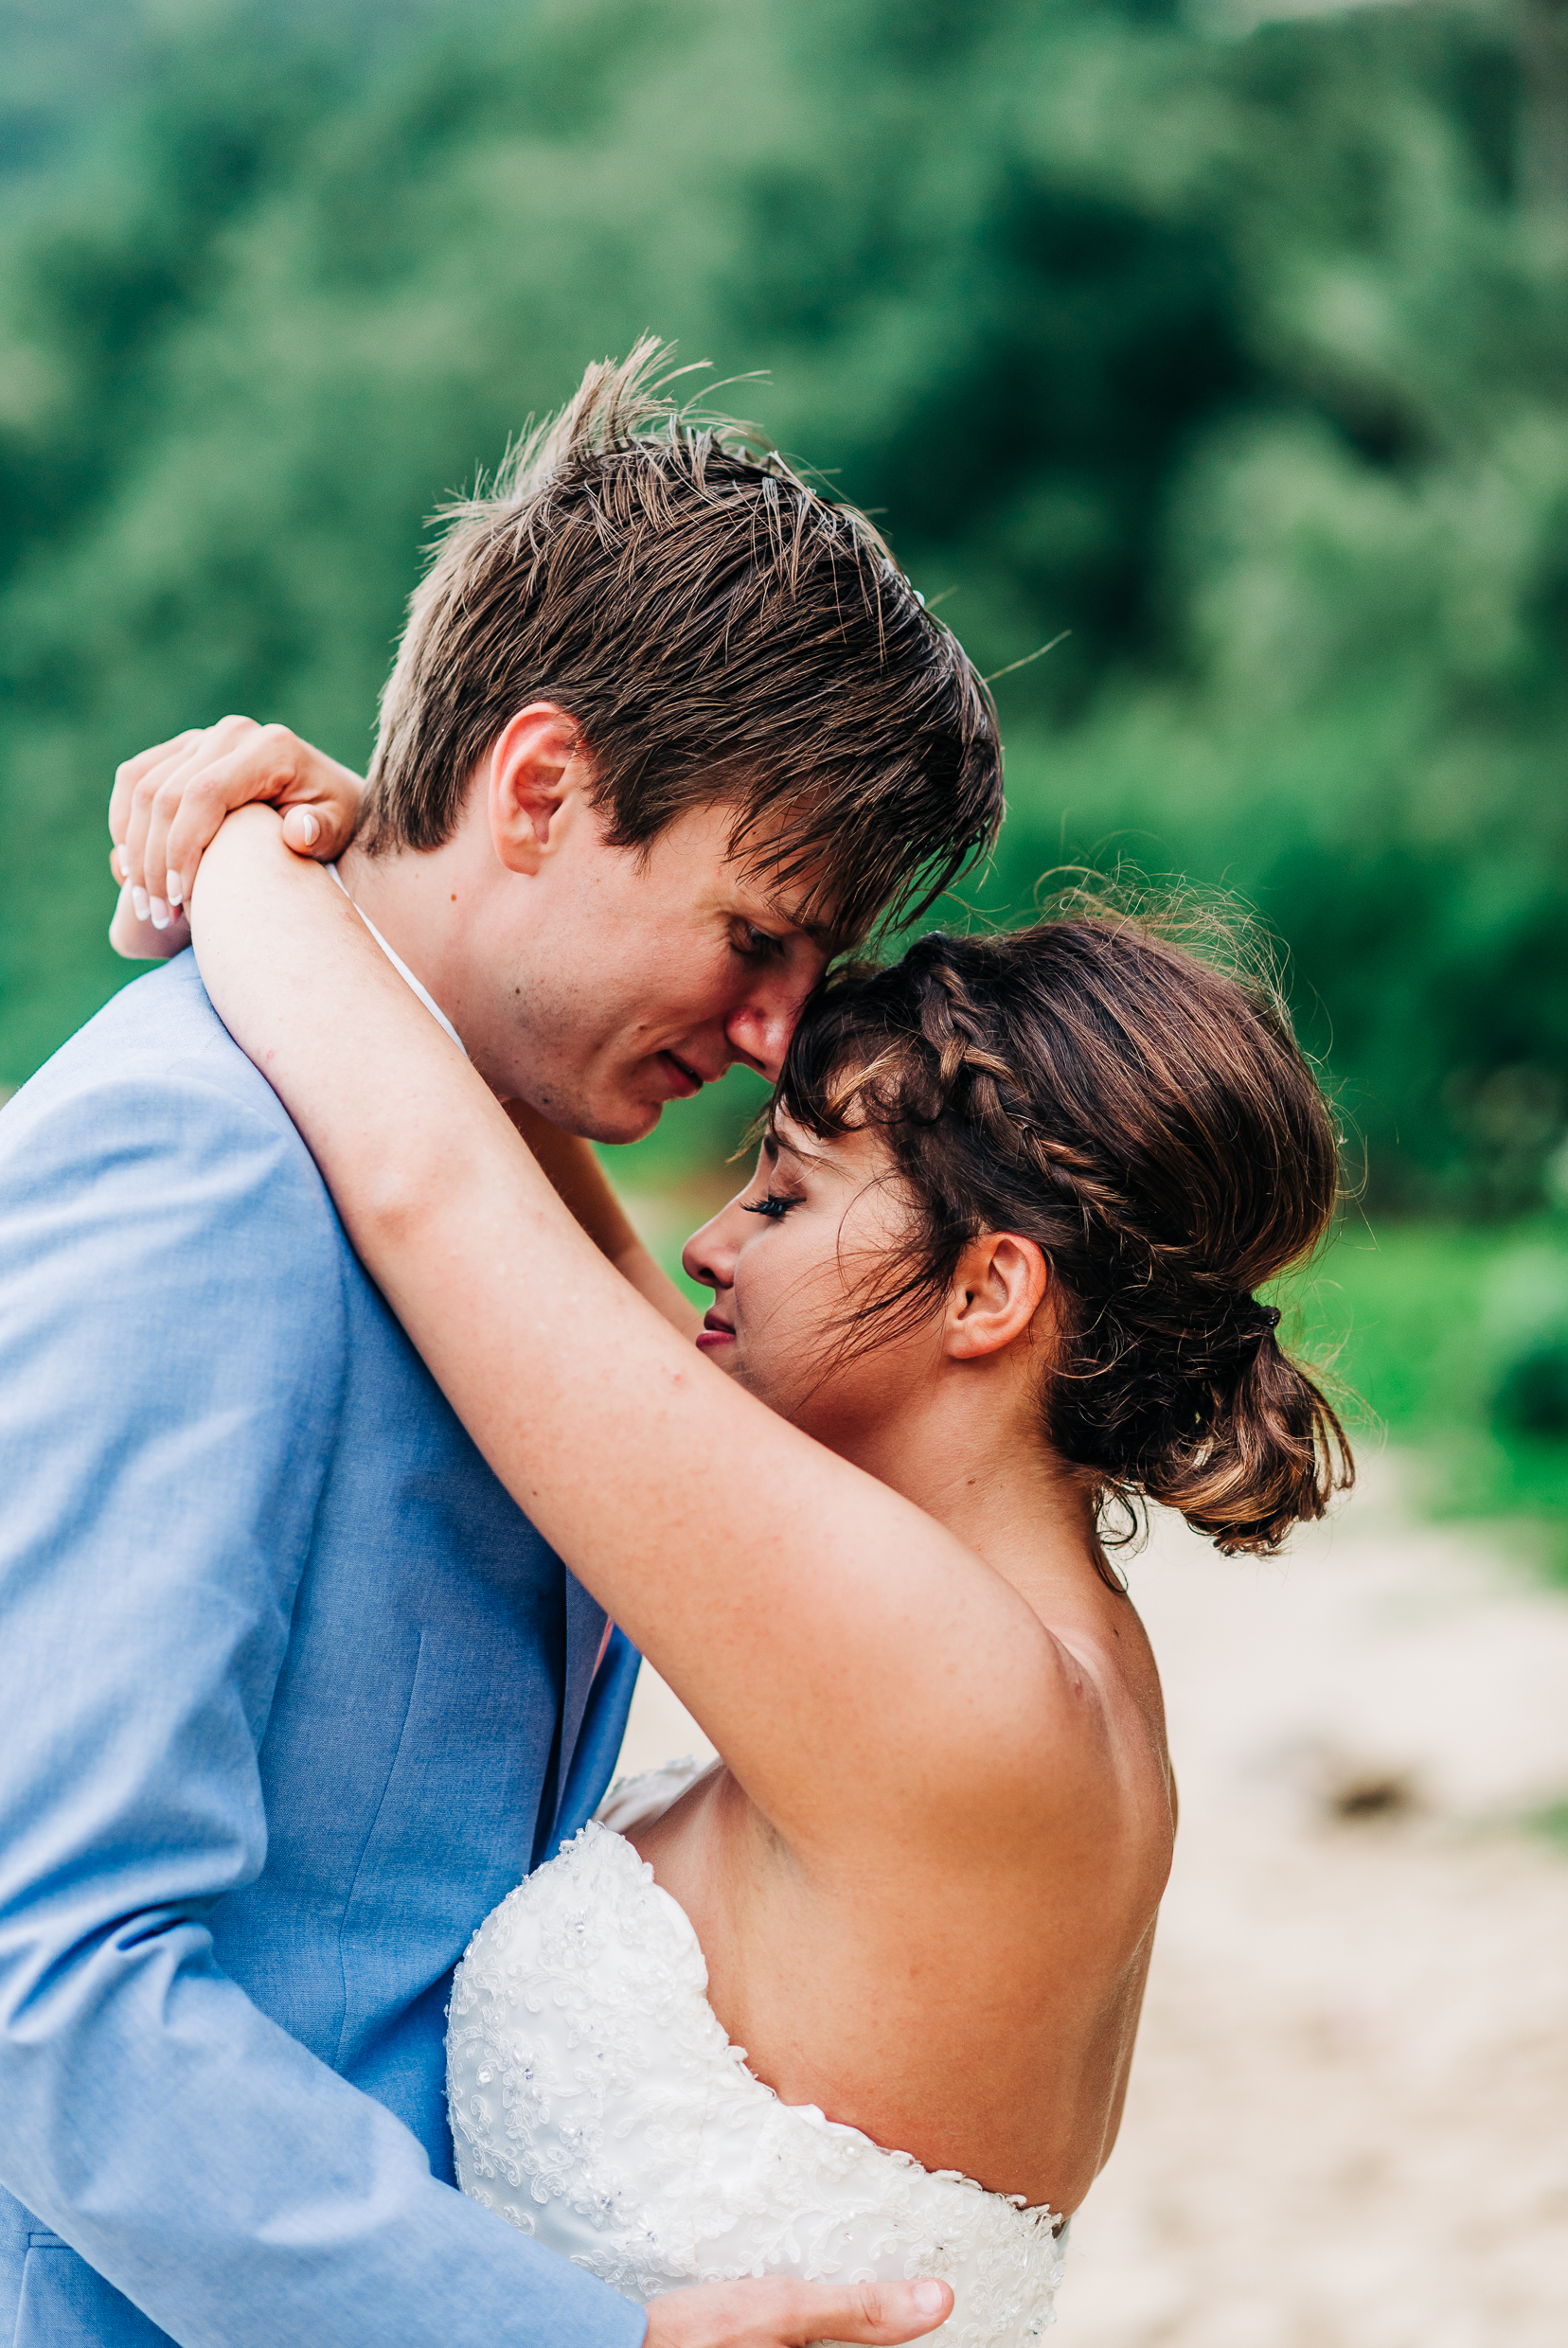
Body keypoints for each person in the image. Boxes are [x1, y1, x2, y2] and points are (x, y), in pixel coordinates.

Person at [0, 347, 1002, 2348]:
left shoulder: (477, 1167)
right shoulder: (195, 1167)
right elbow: (48, 1978)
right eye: (758, 930)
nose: (775, 1031)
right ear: (539, 787)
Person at [161, 793, 1353, 2343]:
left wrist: (235, 834)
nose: (711, 1243)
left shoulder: (944, 1674)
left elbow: (436, 1195)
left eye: (784, 1193)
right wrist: (399, 876)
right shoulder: (1034, 1647)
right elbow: (549, 1231)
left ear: (990, 1289)